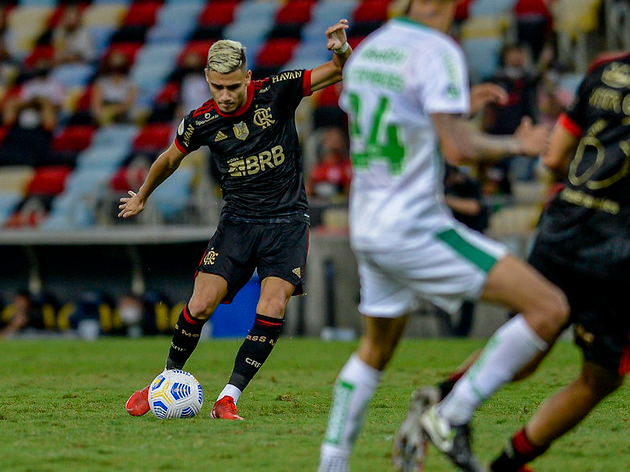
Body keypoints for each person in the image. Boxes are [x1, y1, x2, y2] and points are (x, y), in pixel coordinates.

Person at [316, 2, 569, 471]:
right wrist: (522, 143)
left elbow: (390, 120)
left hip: (368, 225)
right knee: (549, 309)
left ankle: (332, 464)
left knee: (374, 350)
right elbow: (460, 148)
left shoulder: (370, 51)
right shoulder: (436, 50)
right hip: (415, 227)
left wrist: (450, 109)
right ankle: (448, 415)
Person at [120, 19, 353, 420]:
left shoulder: (278, 91)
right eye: (217, 87)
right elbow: (170, 158)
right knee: (202, 302)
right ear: (208, 80)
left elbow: (336, 71)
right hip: (239, 221)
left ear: (248, 76)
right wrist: (143, 195)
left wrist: (341, 50)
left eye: (232, 86)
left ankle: (227, 398)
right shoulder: (202, 120)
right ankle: (165, 381)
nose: (225, 96)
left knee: (273, 305)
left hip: (286, 221)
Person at [485, 50, 630, 471]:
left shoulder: (605, 69)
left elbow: (552, 158)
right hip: (616, 247)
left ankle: (443, 402)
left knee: (526, 338)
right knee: (601, 374)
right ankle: (506, 459)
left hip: (566, 222)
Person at [90, 51, 137, 126]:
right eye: (113, 62)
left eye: (119, 63)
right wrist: (101, 114)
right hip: (104, 109)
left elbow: (128, 104)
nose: (116, 65)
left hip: (122, 113)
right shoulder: (101, 82)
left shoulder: (130, 83)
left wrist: (112, 111)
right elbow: (96, 103)